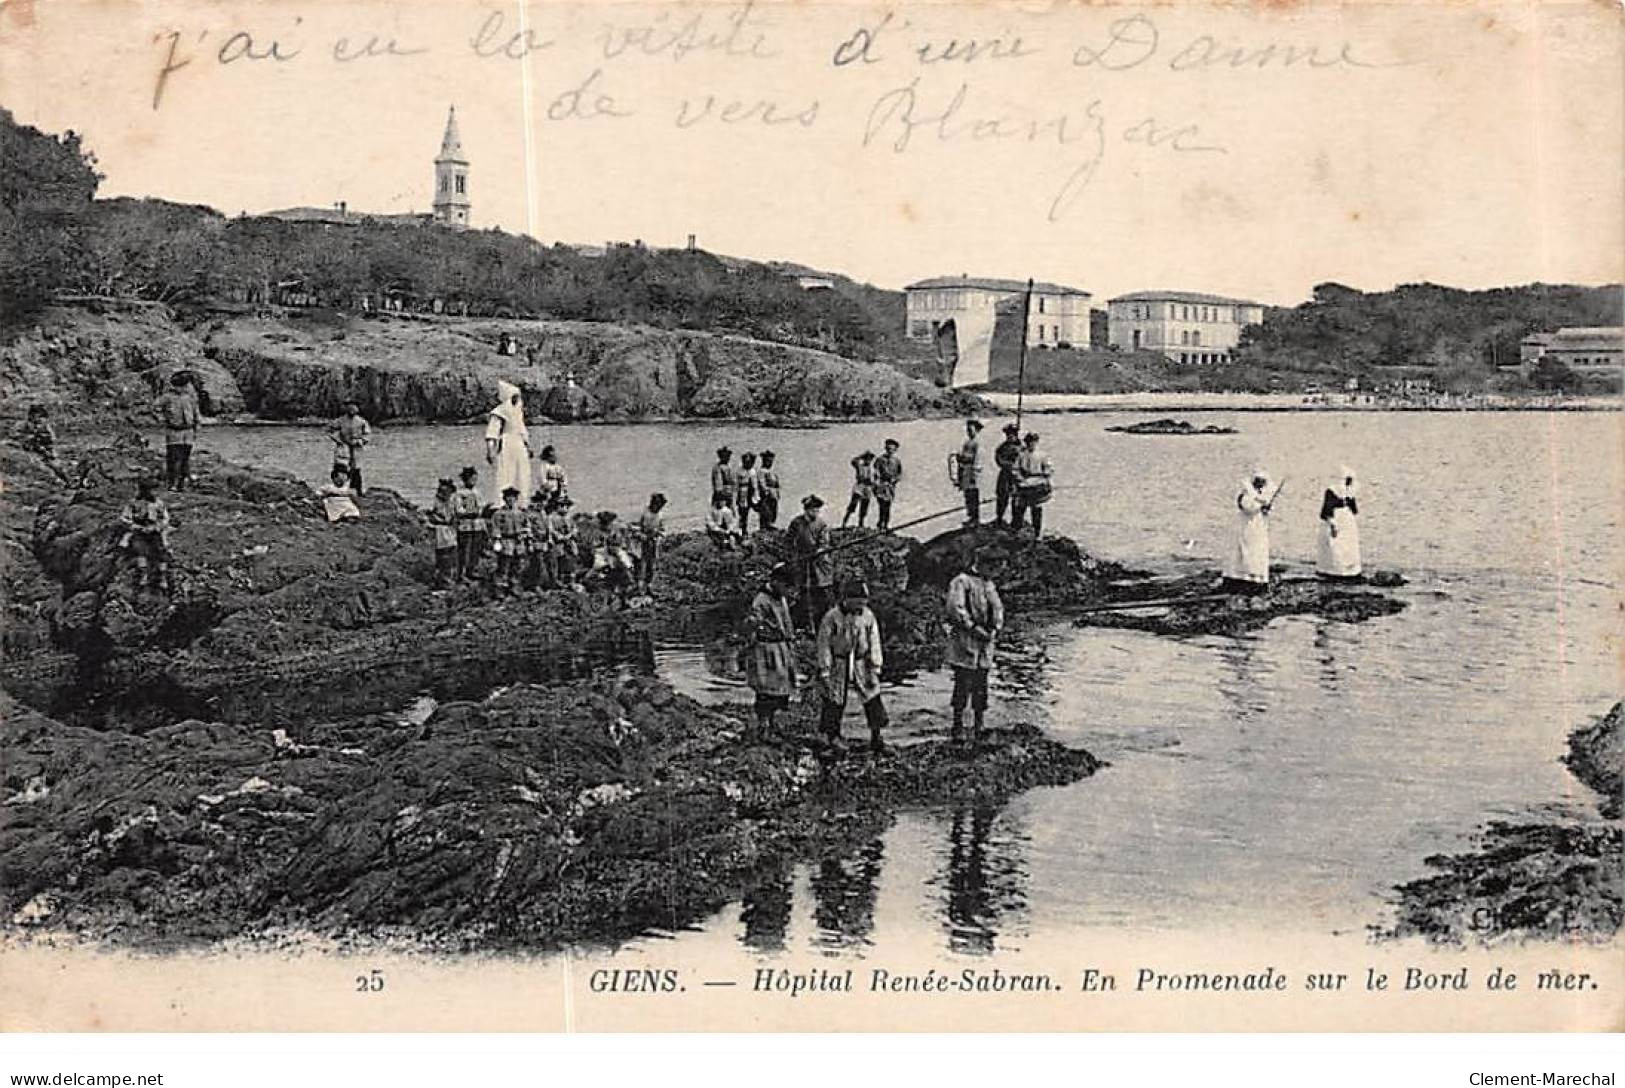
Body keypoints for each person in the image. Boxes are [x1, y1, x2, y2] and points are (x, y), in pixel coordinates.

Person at [815, 579, 887, 757]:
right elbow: (823, 643)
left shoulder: (867, 616)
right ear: (847, 599)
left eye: (863, 602)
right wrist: (825, 668)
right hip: (838, 661)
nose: (860, 607)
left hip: (862, 661)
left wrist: (876, 666)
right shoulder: (832, 617)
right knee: (834, 697)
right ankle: (832, 736)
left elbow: (874, 641)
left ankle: (876, 735)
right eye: (857, 602)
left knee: (872, 694)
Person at [945, 546, 1004, 748]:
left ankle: (979, 724)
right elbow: (956, 609)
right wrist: (973, 627)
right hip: (966, 640)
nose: (996, 572)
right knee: (963, 683)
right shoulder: (962, 581)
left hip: (985, 643)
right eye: (995, 567)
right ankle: (958, 725)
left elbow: (998, 609)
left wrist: (994, 629)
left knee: (981, 684)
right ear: (984, 564)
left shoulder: (989, 584)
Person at [743, 565, 799, 738]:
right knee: (766, 689)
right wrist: (754, 624)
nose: (786, 590)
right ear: (775, 582)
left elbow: (785, 620)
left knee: (782, 687)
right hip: (766, 650)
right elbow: (754, 622)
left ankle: (773, 722)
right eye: (785, 586)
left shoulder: (780, 598)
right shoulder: (761, 600)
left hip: (781, 647)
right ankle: (764, 725)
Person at [1223, 470, 1277, 595]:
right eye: (1259, 482)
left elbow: (1260, 506)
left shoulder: (1258, 495)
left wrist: (1264, 507)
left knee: (1257, 552)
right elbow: (1249, 507)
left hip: (1258, 528)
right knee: (1245, 551)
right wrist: (1261, 504)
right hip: (1247, 528)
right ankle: (1242, 577)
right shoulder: (1246, 495)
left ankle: (1256, 577)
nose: (1261, 485)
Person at [787, 493, 834, 629]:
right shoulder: (797, 523)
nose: (816, 513)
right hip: (803, 562)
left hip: (819, 564)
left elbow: (824, 542)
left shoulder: (821, 524)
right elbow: (789, 540)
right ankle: (804, 624)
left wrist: (820, 550)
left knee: (822, 593)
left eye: (817, 510)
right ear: (806, 510)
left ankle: (823, 623)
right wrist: (793, 555)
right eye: (813, 510)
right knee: (803, 592)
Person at [485, 380, 533, 507]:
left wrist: (528, 446)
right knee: (505, 471)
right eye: (514, 397)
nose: (516, 400)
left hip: (519, 444)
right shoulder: (499, 412)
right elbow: (492, 433)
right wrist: (491, 450)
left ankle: (522, 502)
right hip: (506, 444)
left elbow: (522, 430)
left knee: (522, 473)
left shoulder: (518, 413)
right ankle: (502, 502)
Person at [118, 480, 172, 592]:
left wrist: (158, 526)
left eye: (154, 490)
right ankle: (144, 575)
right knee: (140, 550)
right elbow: (124, 517)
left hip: (154, 530)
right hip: (139, 530)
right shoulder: (134, 503)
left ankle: (163, 577)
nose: (153, 493)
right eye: (150, 490)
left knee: (162, 550)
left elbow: (165, 518)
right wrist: (135, 526)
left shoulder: (158, 503)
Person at [157, 371, 200, 492]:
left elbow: (196, 413)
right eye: (181, 386)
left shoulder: (190, 398)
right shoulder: (167, 397)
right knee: (174, 458)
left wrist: (196, 428)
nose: (184, 388)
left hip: (188, 432)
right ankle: (172, 484)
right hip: (174, 432)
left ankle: (182, 484)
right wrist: (164, 419)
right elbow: (155, 408)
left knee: (185, 458)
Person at [1317, 467, 1362, 581]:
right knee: (1335, 544)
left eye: (1350, 480)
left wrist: (1350, 504)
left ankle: (1350, 569)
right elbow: (1326, 510)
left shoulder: (1349, 492)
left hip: (1347, 519)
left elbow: (1354, 509)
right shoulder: (1332, 491)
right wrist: (1332, 523)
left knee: (1348, 543)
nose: (1348, 483)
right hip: (1335, 518)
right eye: (1347, 480)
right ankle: (1334, 569)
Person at [1011, 431, 1054, 538]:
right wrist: (1020, 479)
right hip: (1025, 484)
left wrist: (1045, 475)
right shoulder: (1021, 455)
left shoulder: (1042, 455)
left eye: (1034, 442)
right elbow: (1015, 469)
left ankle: (1037, 533)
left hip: (1037, 484)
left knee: (1036, 509)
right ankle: (1017, 531)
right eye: (1029, 442)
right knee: (1020, 507)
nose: (1031, 444)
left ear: (1037, 442)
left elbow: (1049, 469)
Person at [327, 401, 371, 494]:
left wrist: (361, 441)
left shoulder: (361, 421)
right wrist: (337, 439)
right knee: (341, 467)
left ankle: (357, 489)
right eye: (350, 408)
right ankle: (339, 488)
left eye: (354, 408)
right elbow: (329, 430)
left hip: (356, 447)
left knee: (356, 468)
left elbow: (367, 434)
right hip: (343, 446)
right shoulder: (340, 420)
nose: (352, 410)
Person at [593, 510, 635, 608]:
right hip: (606, 558)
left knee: (624, 578)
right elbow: (598, 549)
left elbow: (620, 546)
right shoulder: (599, 534)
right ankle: (610, 600)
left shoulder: (616, 531)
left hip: (617, 558)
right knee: (609, 581)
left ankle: (623, 600)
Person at [489, 487, 526, 595]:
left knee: (517, 565)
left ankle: (514, 585)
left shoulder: (520, 513)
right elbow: (495, 527)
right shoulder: (499, 513)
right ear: (504, 499)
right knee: (504, 565)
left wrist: (524, 534)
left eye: (513, 498)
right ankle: (499, 588)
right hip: (506, 540)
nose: (511, 500)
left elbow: (526, 525)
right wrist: (497, 540)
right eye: (508, 498)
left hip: (518, 541)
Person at [453, 466, 486, 580]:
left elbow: (481, 506)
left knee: (475, 549)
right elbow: (458, 509)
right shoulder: (460, 493)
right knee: (463, 549)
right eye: (472, 479)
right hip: (465, 525)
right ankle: (461, 572)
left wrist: (481, 511)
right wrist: (469, 512)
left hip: (477, 525)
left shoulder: (477, 492)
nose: (474, 482)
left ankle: (472, 570)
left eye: (475, 479)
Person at [427, 477, 459, 589]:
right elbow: (432, 515)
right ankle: (442, 580)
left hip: (449, 530)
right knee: (443, 555)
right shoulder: (437, 502)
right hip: (440, 530)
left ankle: (449, 578)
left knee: (451, 554)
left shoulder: (451, 502)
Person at [954, 419, 985, 525]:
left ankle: (975, 518)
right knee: (967, 495)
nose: (969, 432)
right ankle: (971, 516)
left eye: (971, 430)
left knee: (973, 495)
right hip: (966, 471)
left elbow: (977, 459)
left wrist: (974, 473)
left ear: (976, 430)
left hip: (973, 471)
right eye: (968, 430)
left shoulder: (978, 443)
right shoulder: (967, 443)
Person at [635, 492, 667, 592]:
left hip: (654, 542)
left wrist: (659, 536)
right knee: (642, 563)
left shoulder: (660, 515)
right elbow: (636, 527)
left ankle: (649, 585)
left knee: (652, 564)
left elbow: (662, 529)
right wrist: (641, 535)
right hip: (642, 541)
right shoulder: (644, 513)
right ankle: (639, 586)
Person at [993, 422, 1022, 528]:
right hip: (1005, 474)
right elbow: (998, 458)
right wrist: (1007, 464)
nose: (1010, 436)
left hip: (1016, 475)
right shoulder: (1002, 447)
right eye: (1008, 434)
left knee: (1017, 498)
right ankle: (999, 517)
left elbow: (1023, 460)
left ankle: (1016, 521)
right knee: (1001, 496)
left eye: (1012, 434)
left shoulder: (1022, 447)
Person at [549, 495, 580, 590]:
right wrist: (561, 537)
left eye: (566, 506)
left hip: (569, 543)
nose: (564, 508)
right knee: (560, 562)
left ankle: (571, 581)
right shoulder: (552, 518)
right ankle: (559, 582)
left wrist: (570, 535)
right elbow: (551, 530)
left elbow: (575, 529)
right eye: (561, 506)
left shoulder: (570, 519)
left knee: (571, 561)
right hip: (559, 543)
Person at [872, 439, 903, 531]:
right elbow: (876, 471)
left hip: (890, 486)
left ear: (895, 450)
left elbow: (899, 473)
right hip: (881, 485)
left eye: (892, 449)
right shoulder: (880, 459)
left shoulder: (896, 461)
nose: (890, 451)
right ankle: (880, 523)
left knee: (888, 505)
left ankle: (885, 524)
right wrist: (877, 481)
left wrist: (895, 480)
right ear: (886, 448)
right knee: (882, 505)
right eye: (888, 448)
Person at [843, 451, 876, 529]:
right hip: (859, 486)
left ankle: (861, 523)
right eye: (866, 459)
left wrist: (873, 486)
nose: (868, 461)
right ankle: (844, 522)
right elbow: (853, 461)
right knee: (853, 504)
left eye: (870, 459)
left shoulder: (872, 469)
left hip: (867, 488)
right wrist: (860, 456)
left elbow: (875, 479)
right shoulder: (859, 466)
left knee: (864, 506)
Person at [756, 451, 782, 530]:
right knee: (766, 511)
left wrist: (777, 492)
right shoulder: (761, 471)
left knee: (774, 510)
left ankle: (771, 523)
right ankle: (766, 526)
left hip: (774, 495)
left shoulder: (773, 472)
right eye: (767, 461)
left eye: (771, 461)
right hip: (766, 496)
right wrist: (767, 491)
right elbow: (762, 483)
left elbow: (777, 483)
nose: (769, 463)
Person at [736, 451, 760, 532]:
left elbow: (755, 485)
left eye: (750, 462)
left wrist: (756, 496)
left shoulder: (753, 471)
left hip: (751, 494)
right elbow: (737, 484)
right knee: (743, 512)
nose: (748, 464)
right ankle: (742, 529)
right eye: (746, 462)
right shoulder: (740, 471)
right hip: (743, 493)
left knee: (753, 512)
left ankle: (753, 528)